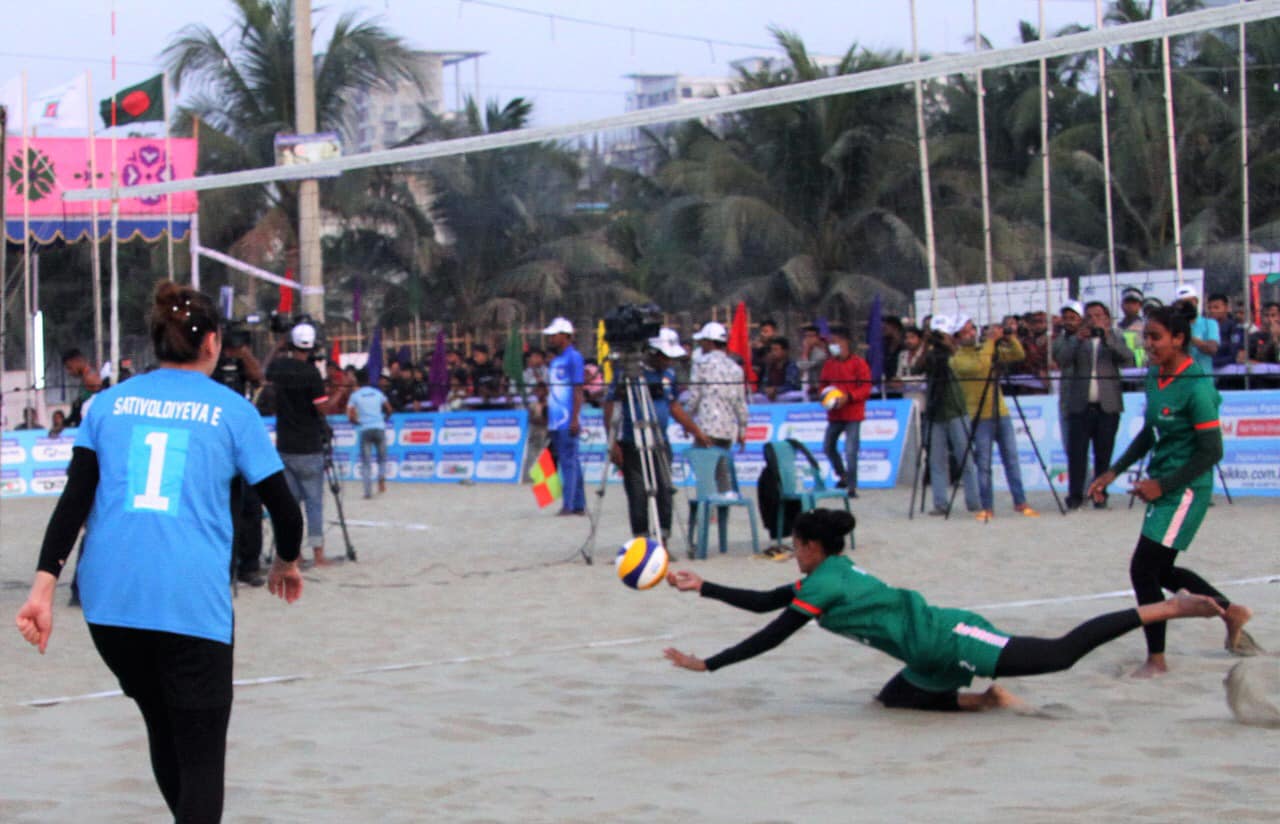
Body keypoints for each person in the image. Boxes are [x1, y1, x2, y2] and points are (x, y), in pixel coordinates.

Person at [14, 280, 304, 822]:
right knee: (201, 759)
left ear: (155, 343)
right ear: (213, 344)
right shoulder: (231, 410)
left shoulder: (105, 404)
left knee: (163, 725)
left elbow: (73, 505)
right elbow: (286, 512)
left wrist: (41, 592)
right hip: (188, 603)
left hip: (110, 607)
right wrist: (286, 561)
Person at [662, 509, 1225, 711]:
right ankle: (987, 697)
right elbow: (765, 601)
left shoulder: (824, 583)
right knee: (895, 697)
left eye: (796, 544)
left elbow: (774, 633)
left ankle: (1169, 610)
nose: (792, 550)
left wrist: (707, 666)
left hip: (947, 637)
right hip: (926, 645)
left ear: (814, 548)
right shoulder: (825, 575)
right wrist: (702, 585)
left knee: (1060, 655)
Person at [1087, 305, 1258, 678]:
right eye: (1146, 337)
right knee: (1160, 570)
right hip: (1162, 484)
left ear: (1178, 339)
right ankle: (1231, 612)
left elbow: (1212, 451)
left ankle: (1157, 660)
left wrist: (1161, 484)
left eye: (1155, 337)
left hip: (1185, 490)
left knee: (1142, 569)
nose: (1148, 344)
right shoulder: (1154, 375)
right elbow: (1150, 433)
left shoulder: (1196, 386)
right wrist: (1112, 471)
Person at [603, 328, 709, 542]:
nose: (669, 362)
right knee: (638, 492)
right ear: (652, 352)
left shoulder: (669, 375)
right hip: (633, 442)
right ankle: (641, 539)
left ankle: (664, 537)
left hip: (660, 441)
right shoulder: (628, 374)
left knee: (665, 488)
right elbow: (610, 403)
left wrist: (696, 431)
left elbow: (675, 407)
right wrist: (612, 442)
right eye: (665, 357)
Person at [949, 318, 1038, 521]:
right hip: (978, 415)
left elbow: (1018, 354)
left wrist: (1009, 337)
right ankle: (987, 505)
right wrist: (991, 342)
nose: (972, 334)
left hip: (1001, 411)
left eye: (972, 329)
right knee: (984, 463)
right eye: (966, 332)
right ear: (957, 337)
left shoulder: (985, 349)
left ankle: (1020, 501)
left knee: (1012, 459)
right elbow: (981, 368)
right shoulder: (957, 359)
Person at [1054, 301, 1135, 510]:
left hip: (1107, 405)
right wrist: (1076, 340)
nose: (1095, 320)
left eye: (1099, 316)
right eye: (1090, 316)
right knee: (1077, 453)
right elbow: (1062, 359)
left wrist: (1107, 338)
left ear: (1107, 318)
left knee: (1103, 454)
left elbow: (1128, 358)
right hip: (1080, 404)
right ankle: (1075, 496)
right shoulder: (1074, 339)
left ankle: (1100, 493)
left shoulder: (1116, 337)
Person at [265, 321, 334, 566]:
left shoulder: (279, 368)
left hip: (285, 445)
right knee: (314, 503)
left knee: (289, 505)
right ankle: (318, 553)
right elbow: (321, 407)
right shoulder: (311, 373)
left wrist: (277, 346)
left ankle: (292, 553)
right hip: (309, 446)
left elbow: (265, 370)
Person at [921, 316, 980, 515]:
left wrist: (949, 345)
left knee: (965, 457)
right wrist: (925, 344)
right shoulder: (930, 354)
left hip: (955, 409)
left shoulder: (957, 351)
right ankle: (940, 503)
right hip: (935, 410)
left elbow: (957, 363)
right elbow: (918, 368)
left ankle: (974, 500)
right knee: (936, 459)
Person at [817, 325, 871, 494]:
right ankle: (842, 475)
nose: (832, 345)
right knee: (828, 446)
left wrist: (849, 397)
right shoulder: (829, 364)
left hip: (853, 413)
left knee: (850, 450)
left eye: (835, 342)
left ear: (845, 342)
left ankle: (852, 487)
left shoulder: (859, 364)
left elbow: (866, 388)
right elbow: (823, 385)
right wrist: (824, 396)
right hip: (834, 414)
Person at [544, 317, 586, 516]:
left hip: (568, 417)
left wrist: (575, 418)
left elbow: (578, 389)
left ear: (566, 336)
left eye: (555, 335)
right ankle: (578, 503)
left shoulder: (574, 358)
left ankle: (569, 504)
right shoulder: (556, 360)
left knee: (569, 461)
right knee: (570, 461)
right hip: (556, 418)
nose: (551, 338)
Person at [347, 368, 392, 499]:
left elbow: (350, 415)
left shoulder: (355, 395)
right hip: (379, 427)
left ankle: (367, 492)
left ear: (357, 381)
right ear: (368, 380)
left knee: (366, 462)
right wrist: (384, 419)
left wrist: (357, 422)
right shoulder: (377, 392)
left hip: (365, 429)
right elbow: (389, 409)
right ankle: (381, 478)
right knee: (382, 458)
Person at [1173, 285, 1219, 376]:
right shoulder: (1173, 326)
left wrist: (1189, 337)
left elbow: (1212, 349)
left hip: (1202, 379)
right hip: (1180, 380)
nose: (1186, 306)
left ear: (1196, 301)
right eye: (1181, 303)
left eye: (1189, 302)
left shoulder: (1209, 323)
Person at [61, 348, 104, 428]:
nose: (70, 372)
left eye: (69, 368)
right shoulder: (85, 378)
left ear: (77, 361)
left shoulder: (91, 378)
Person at [759, 336, 801, 401]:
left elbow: (791, 386)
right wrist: (766, 390)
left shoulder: (791, 366)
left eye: (776, 349)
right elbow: (762, 385)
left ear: (785, 351)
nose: (773, 353)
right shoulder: (769, 366)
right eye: (772, 350)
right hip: (771, 397)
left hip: (787, 398)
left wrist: (776, 390)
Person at [1117, 287, 1147, 367]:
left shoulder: (1146, 327)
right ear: (1122, 305)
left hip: (1143, 369)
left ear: (1140, 305)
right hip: (1123, 369)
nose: (1130, 306)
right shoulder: (1115, 329)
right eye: (1127, 302)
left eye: (1134, 303)